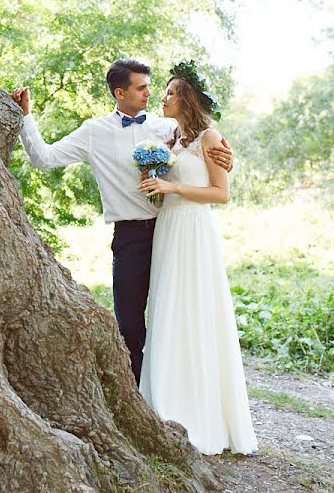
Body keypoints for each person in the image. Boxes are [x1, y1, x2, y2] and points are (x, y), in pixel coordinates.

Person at [11, 58, 233, 385]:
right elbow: (44, 158)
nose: (149, 93)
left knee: (172, 319)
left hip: (170, 231)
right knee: (129, 325)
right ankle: (138, 397)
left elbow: (201, 158)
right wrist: (26, 116)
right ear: (120, 92)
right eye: (141, 87)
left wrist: (230, 159)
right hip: (129, 238)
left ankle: (174, 393)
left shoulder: (166, 127)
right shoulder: (93, 132)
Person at [137, 62, 258, 455]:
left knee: (196, 311)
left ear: (187, 98)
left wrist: (172, 185)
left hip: (193, 231)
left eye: (170, 92)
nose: (163, 97)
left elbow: (221, 194)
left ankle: (202, 414)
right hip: (168, 230)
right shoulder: (169, 137)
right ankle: (164, 403)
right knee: (168, 311)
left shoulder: (210, 137)